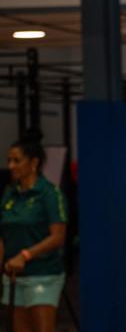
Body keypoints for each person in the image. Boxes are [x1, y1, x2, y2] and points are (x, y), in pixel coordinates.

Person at [1, 139, 68, 332]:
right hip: (13, 277)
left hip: (43, 276)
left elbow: (58, 237)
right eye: (9, 160)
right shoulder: (9, 193)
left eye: (17, 160)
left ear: (33, 163)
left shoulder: (49, 193)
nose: (11, 165)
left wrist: (25, 256)